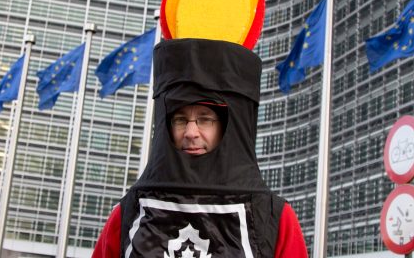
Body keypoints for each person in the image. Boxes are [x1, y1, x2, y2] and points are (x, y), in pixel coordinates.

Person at [92, 39, 307, 257]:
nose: (191, 132)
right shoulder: (128, 212)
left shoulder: (274, 218)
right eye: (180, 119)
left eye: (205, 120)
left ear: (227, 126)